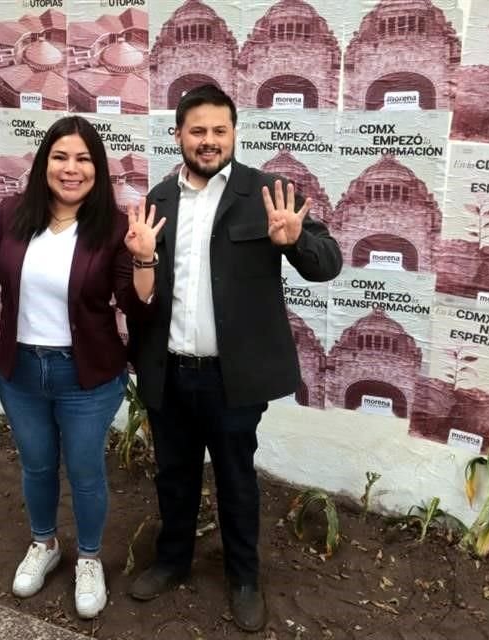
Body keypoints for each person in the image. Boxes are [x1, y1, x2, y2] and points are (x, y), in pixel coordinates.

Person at [125, 84, 343, 632]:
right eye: (197, 130)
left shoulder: (266, 192)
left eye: (220, 130)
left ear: (234, 134)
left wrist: (294, 241)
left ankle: (244, 577)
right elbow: (145, 294)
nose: (209, 141)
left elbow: (327, 263)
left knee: (236, 479)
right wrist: (141, 261)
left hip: (233, 378)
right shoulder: (158, 201)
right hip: (171, 371)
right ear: (178, 135)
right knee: (173, 474)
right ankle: (172, 560)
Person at [0, 115, 164, 618]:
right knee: (36, 465)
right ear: (44, 163)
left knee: (86, 471)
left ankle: (89, 558)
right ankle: (45, 544)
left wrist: (143, 260)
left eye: (83, 159)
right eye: (60, 157)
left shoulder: (114, 228)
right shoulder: (11, 215)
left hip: (87, 377)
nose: (71, 169)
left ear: (97, 168)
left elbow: (136, 308)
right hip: (21, 372)